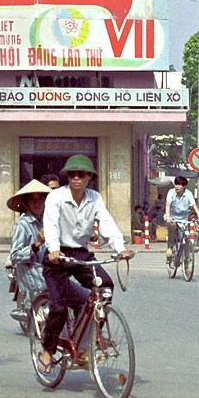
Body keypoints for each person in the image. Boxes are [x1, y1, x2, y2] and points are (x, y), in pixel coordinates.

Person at [37, 154, 132, 375]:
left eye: (81, 174)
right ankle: (48, 351)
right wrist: (52, 247)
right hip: (57, 256)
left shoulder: (94, 198)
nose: (76, 178)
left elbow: (106, 223)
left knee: (105, 289)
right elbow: (50, 224)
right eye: (72, 174)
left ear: (90, 177)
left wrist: (120, 249)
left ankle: (87, 341)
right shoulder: (56, 198)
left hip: (80, 254)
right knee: (58, 307)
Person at [7, 178, 88, 319]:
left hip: (52, 271)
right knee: (70, 298)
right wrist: (36, 244)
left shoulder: (48, 220)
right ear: (26, 203)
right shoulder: (22, 225)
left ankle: (79, 333)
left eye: (41, 199)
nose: (37, 203)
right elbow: (15, 255)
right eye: (33, 200)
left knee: (85, 296)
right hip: (35, 274)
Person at [164, 176, 199, 259]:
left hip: (183, 219)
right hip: (172, 217)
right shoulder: (171, 192)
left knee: (185, 239)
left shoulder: (188, 193)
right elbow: (168, 204)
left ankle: (187, 262)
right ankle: (170, 247)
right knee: (172, 226)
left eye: (180, 185)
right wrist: (168, 216)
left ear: (184, 186)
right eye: (176, 184)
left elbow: (193, 205)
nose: (177, 186)